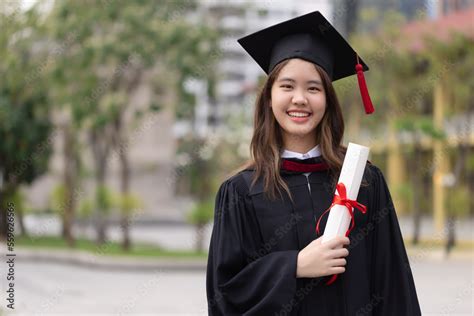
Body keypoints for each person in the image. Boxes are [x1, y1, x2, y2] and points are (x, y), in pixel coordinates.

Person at [206, 11, 421, 316]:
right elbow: (225, 293)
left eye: (313, 88)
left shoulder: (364, 182)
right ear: (269, 98)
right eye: (287, 86)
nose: (300, 99)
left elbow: (394, 285)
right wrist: (294, 266)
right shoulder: (241, 191)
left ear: (328, 101)